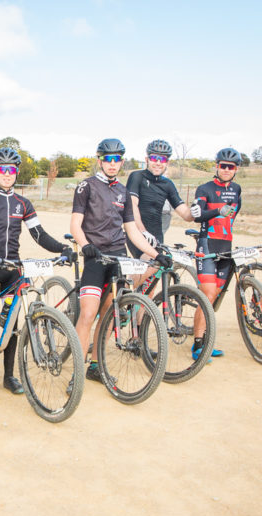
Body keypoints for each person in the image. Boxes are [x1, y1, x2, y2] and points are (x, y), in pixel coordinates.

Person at [0, 147, 73, 401]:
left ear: (16, 173)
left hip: (13, 269)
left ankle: (8, 376)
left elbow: (39, 235)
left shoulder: (23, 203)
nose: (7, 174)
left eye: (11, 170)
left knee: (15, 324)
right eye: (2, 169)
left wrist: (63, 248)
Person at [70, 138, 173, 382]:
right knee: (87, 314)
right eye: (108, 159)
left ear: (122, 162)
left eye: (117, 159)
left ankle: (95, 366)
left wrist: (156, 254)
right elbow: (75, 224)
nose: (113, 163)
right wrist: (86, 246)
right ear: (100, 160)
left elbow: (132, 230)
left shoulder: (123, 191)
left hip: (118, 257)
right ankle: (76, 374)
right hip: (95, 258)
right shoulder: (87, 186)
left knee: (109, 315)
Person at [190, 147, 242, 359]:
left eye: (230, 167)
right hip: (208, 245)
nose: (226, 170)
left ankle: (207, 339)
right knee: (207, 294)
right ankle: (197, 345)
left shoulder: (237, 189)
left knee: (214, 298)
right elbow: (198, 215)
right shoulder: (205, 188)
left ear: (236, 168)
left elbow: (233, 215)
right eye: (223, 166)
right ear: (217, 166)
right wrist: (217, 211)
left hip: (226, 247)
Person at [126, 139, 193, 288]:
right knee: (152, 264)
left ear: (167, 162)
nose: (158, 162)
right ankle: (125, 290)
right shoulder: (137, 177)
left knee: (150, 287)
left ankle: (140, 307)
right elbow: (132, 206)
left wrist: (195, 212)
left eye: (162, 159)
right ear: (147, 159)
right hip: (137, 234)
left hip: (157, 237)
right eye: (154, 158)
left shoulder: (167, 184)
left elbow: (185, 214)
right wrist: (143, 231)